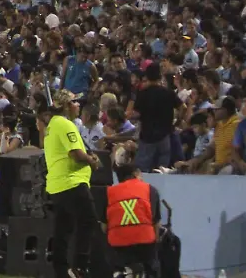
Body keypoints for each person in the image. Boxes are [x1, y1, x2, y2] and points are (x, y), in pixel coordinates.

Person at [44, 90, 101, 278]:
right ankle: (80, 267)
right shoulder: (66, 124)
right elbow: (76, 154)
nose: (79, 106)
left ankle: (61, 270)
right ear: (67, 106)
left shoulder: (52, 125)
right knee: (89, 221)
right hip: (72, 182)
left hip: (57, 184)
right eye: (76, 102)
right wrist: (92, 161)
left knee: (63, 229)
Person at [105, 163, 162, 277]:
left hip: (118, 244)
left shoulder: (109, 192)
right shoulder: (150, 189)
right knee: (151, 267)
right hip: (145, 241)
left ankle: (121, 272)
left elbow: (103, 225)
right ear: (135, 173)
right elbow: (156, 223)